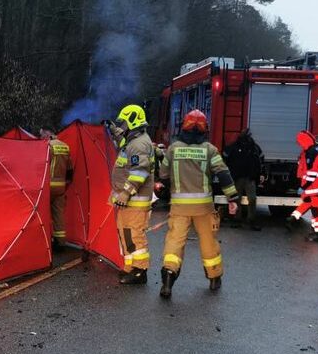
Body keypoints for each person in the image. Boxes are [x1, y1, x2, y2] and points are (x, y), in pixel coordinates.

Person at [158, 110, 240, 298]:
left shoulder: (173, 149)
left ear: (184, 126)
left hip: (179, 207)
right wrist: (232, 198)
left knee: (174, 242)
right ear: (205, 129)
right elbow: (223, 174)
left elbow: (163, 174)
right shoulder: (210, 150)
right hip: (204, 208)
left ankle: (168, 279)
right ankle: (214, 278)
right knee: (208, 242)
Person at [109, 104, 155, 285]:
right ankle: (130, 267)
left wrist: (126, 193)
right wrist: (114, 131)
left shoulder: (139, 144)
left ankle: (139, 271)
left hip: (134, 200)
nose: (122, 126)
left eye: (124, 123)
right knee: (126, 233)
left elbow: (140, 172)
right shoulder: (133, 140)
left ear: (132, 121)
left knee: (134, 235)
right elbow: (123, 143)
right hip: (130, 201)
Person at [287, 130, 318, 242]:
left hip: (315, 188)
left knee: (317, 212)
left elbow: (311, 174)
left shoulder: (311, 153)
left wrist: (303, 187)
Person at [223, 128, 263, 230]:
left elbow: (260, 159)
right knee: (238, 199)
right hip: (239, 177)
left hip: (249, 177)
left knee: (252, 199)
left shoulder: (253, 147)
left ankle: (251, 219)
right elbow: (225, 157)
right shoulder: (237, 147)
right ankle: (237, 219)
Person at [40, 126, 73, 249]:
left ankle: (44, 241)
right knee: (58, 214)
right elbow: (70, 168)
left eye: (42, 134)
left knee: (42, 213)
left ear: (48, 133)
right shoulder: (65, 146)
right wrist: (67, 182)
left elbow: (41, 165)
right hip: (61, 186)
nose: (41, 137)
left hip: (47, 185)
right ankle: (60, 242)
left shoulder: (46, 146)